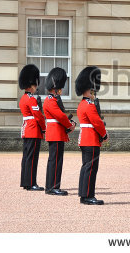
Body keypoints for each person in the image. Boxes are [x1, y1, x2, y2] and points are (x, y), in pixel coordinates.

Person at [76, 66, 108, 205]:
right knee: (91, 169)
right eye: (92, 90)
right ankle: (88, 195)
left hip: (85, 139)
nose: (94, 92)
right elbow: (97, 122)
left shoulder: (82, 104)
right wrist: (104, 134)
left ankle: (84, 195)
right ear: (88, 90)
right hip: (91, 139)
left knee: (86, 167)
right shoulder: (89, 105)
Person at [43, 67, 76, 196]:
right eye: (60, 89)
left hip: (57, 132)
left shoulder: (53, 100)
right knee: (55, 160)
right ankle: (52, 187)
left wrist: (69, 124)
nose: (61, 91)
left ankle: (52, 186)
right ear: (55, 88)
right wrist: (69, 125)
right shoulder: (51, 101)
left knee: (56, 160)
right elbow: (60, 116)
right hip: (55, 133)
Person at [19, 64, 46, 191]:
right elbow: (38, 116)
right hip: (33, 130)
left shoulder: (23, 99)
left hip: (27, 130)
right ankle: (31, 183)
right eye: (35, 85)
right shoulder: (31, 99)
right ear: (31, 85)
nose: (36, 87)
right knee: (32, 158)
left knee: (26, 157)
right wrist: (44, 128)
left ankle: (26, 182)